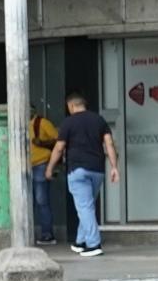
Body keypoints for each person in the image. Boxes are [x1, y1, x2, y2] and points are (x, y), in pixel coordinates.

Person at [47, 93, 117, 257]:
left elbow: (59, 148)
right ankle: (81, 242)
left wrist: (50, 167)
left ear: (71, 106)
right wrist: (114, 167)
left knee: (84, 207)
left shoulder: (68, 122)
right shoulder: (99, 120)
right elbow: (109, 144)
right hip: (97, 170)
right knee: (87, 206)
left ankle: (94, 244)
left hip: (78, 170)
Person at [27, 107, 60, 245]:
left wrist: (42, 143)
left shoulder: (42, 122)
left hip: (40, 164)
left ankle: (47, 234)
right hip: (23, 165)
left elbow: (58, 139)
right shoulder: (18, 124)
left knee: (41, 201)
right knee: (27, 202)